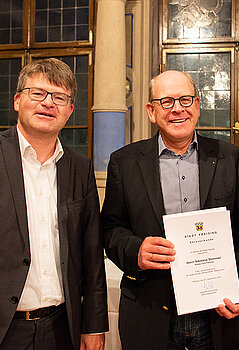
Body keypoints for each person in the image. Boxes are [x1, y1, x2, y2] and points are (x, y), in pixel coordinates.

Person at [102, 70, 239, 350]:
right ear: (152, 111)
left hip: (216, 313)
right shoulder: (124, 162)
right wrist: (135, 250)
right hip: (149, 312)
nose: (178, 109)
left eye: (185, 100)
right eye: (166, 102)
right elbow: (111, 229)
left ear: (197, 106)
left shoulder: (230, 158)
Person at [0, 58, 108, 350]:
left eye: (59, 97)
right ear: (17, 100)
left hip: (62, 327)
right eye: (38, 93)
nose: (48, 103)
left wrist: (94, 325)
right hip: (6, 328)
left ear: (70, 110)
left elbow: (91, 254)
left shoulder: (78, 169)